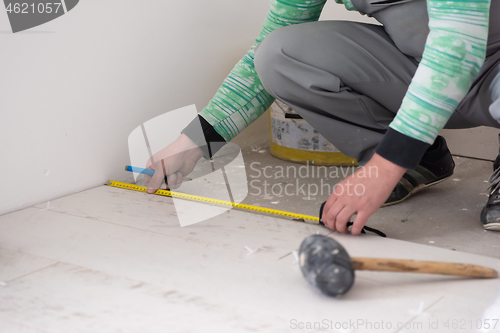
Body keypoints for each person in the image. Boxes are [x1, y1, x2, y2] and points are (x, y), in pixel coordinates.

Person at [144, 0, 500, 235]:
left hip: (488, 67)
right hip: (421, 66)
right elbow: (264, 55)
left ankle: (398, 159)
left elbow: (458, 48)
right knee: (278, 54)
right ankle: (416, 160)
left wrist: (383, 167)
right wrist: (194, 142)